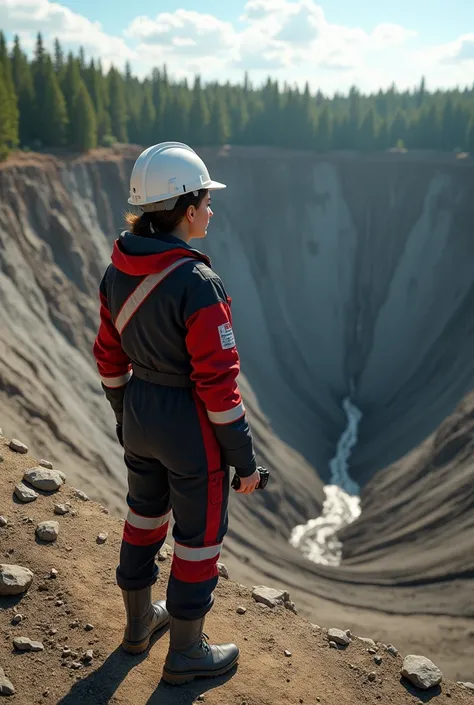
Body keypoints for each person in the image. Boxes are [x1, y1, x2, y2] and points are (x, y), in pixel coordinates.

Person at [92, 142, 262, 686]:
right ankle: (187, 654)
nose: (211, 210)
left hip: (140, 409)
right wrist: (244, 461)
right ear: (186, 209)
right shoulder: (198, 283)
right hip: (189, 424)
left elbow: (108, 355)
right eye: (206, 201)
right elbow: (218, 384)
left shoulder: (117, 271)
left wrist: (126, 415)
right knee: (198, 537)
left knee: (144, 514)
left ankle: (138, 627)